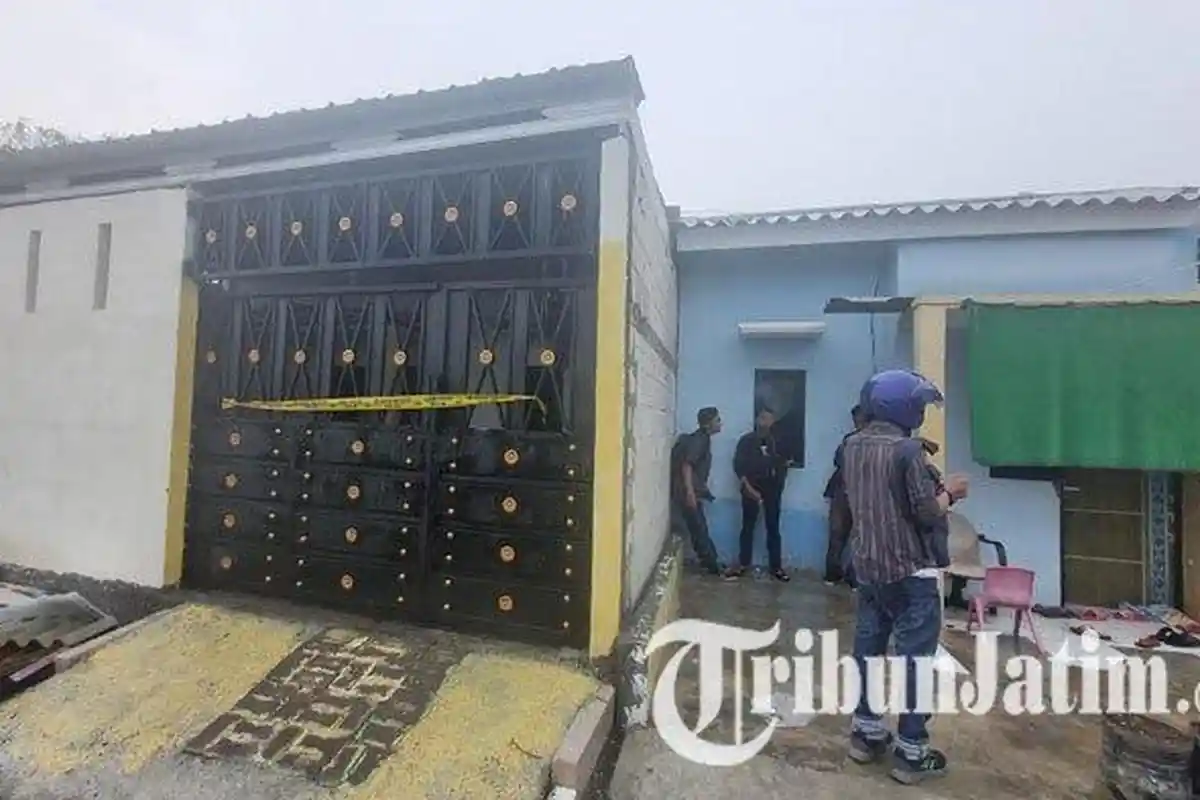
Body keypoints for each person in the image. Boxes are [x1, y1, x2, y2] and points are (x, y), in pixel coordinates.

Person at [841, 370, 969, 785]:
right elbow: (926, 512)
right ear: (903, 407)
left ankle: (866, 734)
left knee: (869, 652)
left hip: (870, 569)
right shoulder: (907, 452)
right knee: (915, 660)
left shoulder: (851, 447)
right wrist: (950, 492)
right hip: (911, 573)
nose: (921, 412)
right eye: (919, 405)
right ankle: (912, 753)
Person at [725, 408, 790, 582]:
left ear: (773, 421)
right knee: (747, 527)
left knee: (773, 528)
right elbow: (739, 467)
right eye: (761, 417)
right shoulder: (746, 441)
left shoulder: (778, 441)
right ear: (756, 419)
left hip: (772, 490)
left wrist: (778, 487)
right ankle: (743, 564)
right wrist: (749, 489)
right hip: (751, 488)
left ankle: (776, 567)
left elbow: (784, 465)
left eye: (768, 418)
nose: (764, 421)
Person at [671, 407, 724, 575]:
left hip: (690, 491)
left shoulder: (703, 439)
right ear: (708, 424)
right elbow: (687, 465)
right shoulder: (700, 440)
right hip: (686, 492)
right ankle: (713, 566)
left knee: (698, 528)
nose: (720, 423)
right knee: (699, 528)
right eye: (717, 420)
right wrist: (690, 493)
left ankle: (711, 563)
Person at [823, 404, 868, 584]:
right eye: (856, 419)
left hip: (856, 494)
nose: (858, 422)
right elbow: (839, 461)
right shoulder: (852, 440)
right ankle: (837, 575)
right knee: (842, 535)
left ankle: (848, 577)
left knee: (854, 537)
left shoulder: (854, 441)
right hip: (846, 493)